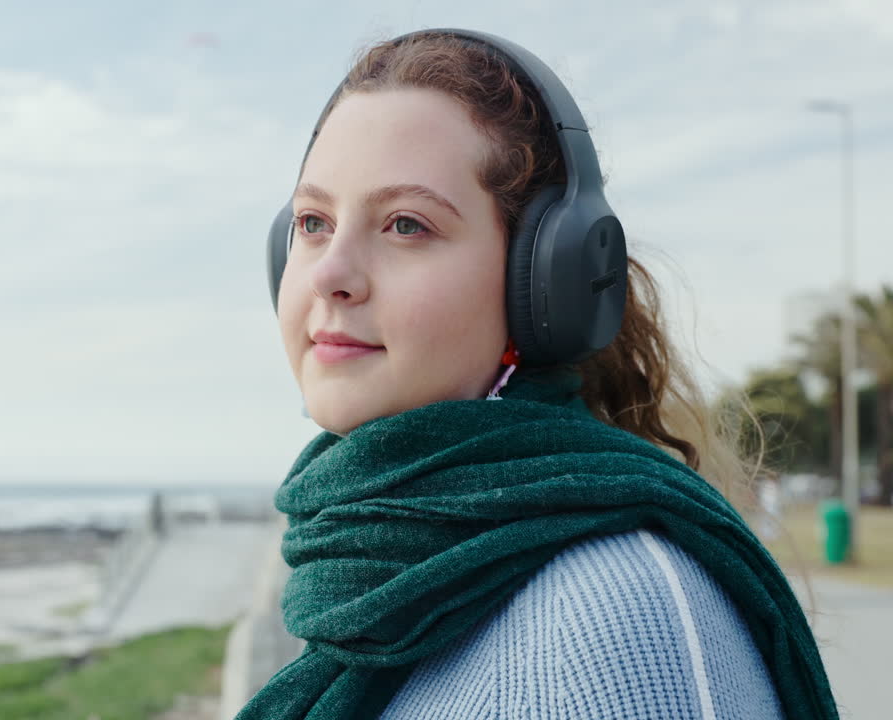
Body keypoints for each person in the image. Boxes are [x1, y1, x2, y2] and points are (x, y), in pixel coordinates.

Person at [237, 29, 837, 720]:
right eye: (313, 222)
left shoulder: (622, 619)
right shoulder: (357, 583)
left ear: (545, 281)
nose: (331, 275)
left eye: (406, 225)